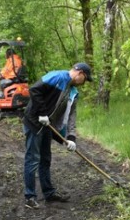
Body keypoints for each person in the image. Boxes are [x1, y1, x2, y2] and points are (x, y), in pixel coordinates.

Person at [22, 62, 93, 209]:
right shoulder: (57, 76)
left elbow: (71, 115)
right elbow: (34, 90)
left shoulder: (73, 92)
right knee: (33, 159)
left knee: (45, 159)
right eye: (85, 79)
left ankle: (49, 193)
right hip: (35, 122)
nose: (84, 83)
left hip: (48, 125)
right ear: (79, 73)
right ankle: (30, 197)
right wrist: (42, 113)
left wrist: (71, 137)